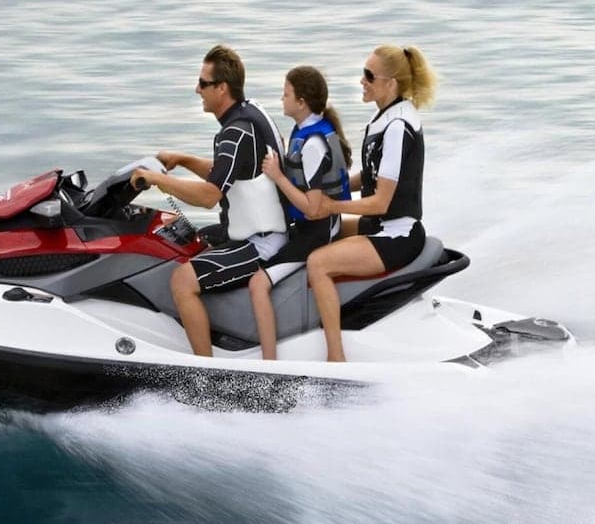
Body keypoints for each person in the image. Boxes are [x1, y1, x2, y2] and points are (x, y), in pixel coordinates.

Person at [133, 45, 288, 356]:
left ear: (221, 88)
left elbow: (209, 196)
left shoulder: (235, 132)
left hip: (262, 242)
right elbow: (228, 172)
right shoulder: (247, 116)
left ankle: (206, 372)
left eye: (203, 84)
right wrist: (184, 159)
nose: (197, 90)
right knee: (187, 240)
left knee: (182, 281)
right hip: (253, 231)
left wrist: (158, 180)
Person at [303, 45, 437, 362]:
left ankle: (335, 357)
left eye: (369, 75)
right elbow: (373, 175)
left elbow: (380, 202)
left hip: (396, 236)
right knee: (320, 232)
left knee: (317, 264)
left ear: (391, 82)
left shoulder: (397, 126)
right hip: (381, 227)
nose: (362, 81)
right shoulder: (386, 116)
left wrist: (331, 205)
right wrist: (329, 189)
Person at [250, 66, 353, 360]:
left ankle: (269, 366)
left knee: (258, 283)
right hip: (305, 230)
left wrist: (277, 176)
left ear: (301, 102)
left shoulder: (313, 145)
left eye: (286, 94)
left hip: (316, 235)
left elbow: (313, 208)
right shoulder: (306, 131)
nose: (281, 99)